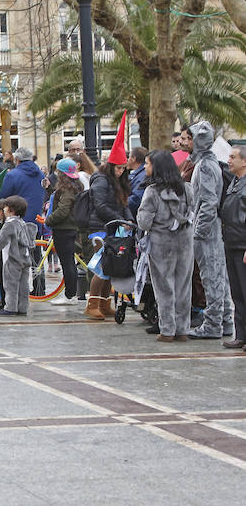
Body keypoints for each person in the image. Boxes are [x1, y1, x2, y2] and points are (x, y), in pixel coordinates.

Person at [136, 150, 194, 341]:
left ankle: (167, 330)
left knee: (164, 287)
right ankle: (183, 329)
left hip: (162, 244)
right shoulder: (186, 188)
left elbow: (144, 221)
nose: (145, 167)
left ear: (157, 167)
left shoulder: (152, 192)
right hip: (185, 242)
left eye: (147, 163)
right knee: (184, 286)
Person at [187, 121, 234, 340]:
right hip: (210, 228)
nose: (185, 142)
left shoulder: (206, 166)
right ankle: (224, 321)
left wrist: (199, 232)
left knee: (212, 277)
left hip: (208, 230)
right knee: (217, 276)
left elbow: (208, 202)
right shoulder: (207, 163)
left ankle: (214, 323)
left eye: (189, 138)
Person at [83, 125, 132, 320]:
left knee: (109, 266)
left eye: (123, 168)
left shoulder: (117, 181)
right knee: (101, 267)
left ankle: (104, 303)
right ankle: (93, 303)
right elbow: (100, 206)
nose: (121, 171)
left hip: (113, 227)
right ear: (111, 166)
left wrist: (128, 218)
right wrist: (120, 219)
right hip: (100, 228)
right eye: (119, 168)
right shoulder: (101, 180)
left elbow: (124, 203)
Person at [45, 158, 84, 306]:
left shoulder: (66, 189)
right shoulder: (76, 186)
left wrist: (49, 221)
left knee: (67, 263)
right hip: (71, 229)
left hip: (63, 229)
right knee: (70, 263)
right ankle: (71, 294)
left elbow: (63, 210)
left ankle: (69, 295)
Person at [0, 195, 37, 316]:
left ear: (11, 210)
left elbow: (1, 239)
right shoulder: (22, 223)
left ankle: (10, 307)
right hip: (25, 258)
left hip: (12, 259)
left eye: (5, 207)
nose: (4, 209)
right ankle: (22, 307)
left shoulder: (9, 224)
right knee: (23, 285)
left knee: (11, 284)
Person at [221, 146, 246, 349]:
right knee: (237, 293)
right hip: (231, 243)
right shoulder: (234, 183)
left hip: (242, 246)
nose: (229, 160)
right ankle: (241, 335)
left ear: (244, 161)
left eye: (233, 157)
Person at [0, 147, 45, 225]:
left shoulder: (12, 175)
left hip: (17, 221)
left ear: (17, 160)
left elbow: (3, 197)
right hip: (37, 219)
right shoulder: (41, 175)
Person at [127, 147, 148, 217]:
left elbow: (136, 200)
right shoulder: (138, 174)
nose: (127, 160)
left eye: (129, 157)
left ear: (133, 159)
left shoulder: (142, 177)